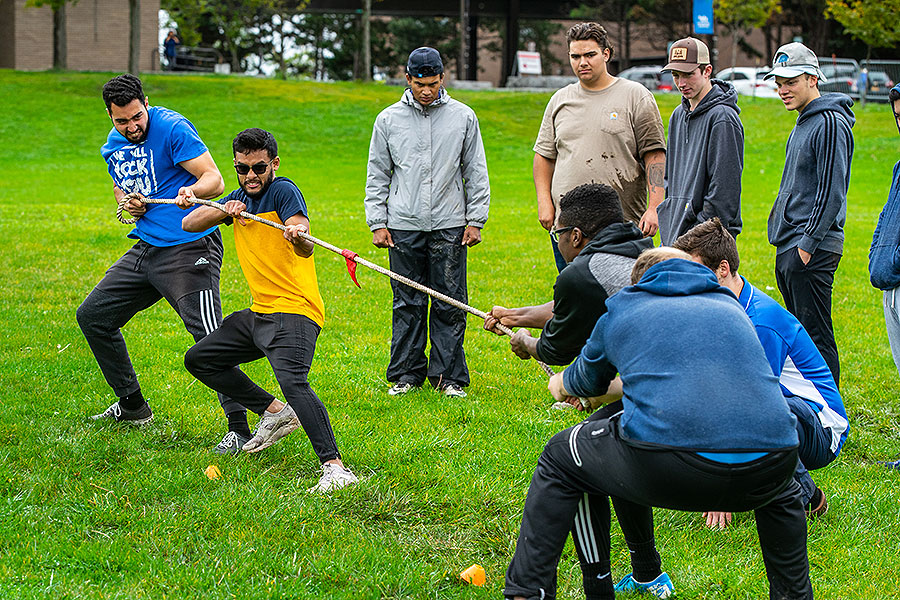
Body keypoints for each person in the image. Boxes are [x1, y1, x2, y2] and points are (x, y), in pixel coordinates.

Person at [504, 249, 812, 600]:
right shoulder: (731, 307)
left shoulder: (625, 306)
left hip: (671, 463)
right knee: (783, 492)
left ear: (639, 282)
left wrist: (560, 384)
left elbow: (586, 380)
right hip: (774, 461)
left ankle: (529, 592)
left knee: (564, 455)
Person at [76, 74, 255, 455]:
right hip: (147, 247)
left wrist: (192, 190)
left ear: (146, 103)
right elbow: (120, 185)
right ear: (109, 116)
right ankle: (133, 407)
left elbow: (214, 180)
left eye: (136, 117)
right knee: (93, 316)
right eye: (121, 121)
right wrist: (128, 202)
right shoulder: (114, 144)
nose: (131, 126)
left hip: (190, 247)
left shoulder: (172, 128)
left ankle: (240, 428)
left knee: (209, 338)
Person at [180, 128, 358, 493]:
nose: (250, 176)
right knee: (200, 359)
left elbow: (303, 235)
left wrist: (297, 233)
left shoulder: (283, 190)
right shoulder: (238, 198)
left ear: (273, 164)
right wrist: (221, 209)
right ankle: (275, 411)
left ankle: (336, 469)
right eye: (242, 168)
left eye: (258, 168)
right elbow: (188, 223)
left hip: (295, 310)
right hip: (259, 313)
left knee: (293, 381)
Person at [674, 218, 849, 525]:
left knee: (756, 414)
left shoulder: (760, 322)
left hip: (821, 426)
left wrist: (722, 485)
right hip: (779, 411)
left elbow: (748, 404)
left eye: (694, 271)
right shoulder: (718, 307)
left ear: (723, 269)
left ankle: (808, 498)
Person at [364, 47, 490, 398]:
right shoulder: (387, 120)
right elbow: (378, 173)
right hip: (402, 224)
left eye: (433, 84)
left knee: (450, 301)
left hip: (451, 223)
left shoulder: (464, 117)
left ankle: (448, 378)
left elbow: (475, 171)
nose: (426, 91)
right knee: (407, 301)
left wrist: (476, 219)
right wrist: (377, 221)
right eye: (420, 84)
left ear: (442, 79)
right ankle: (406, 374)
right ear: (407, 79)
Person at [534, 22, 666, 271]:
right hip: (569, 227)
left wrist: (654, 207)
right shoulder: (560, 100)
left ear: (606, 54)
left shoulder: (635, 95)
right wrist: (544, 202)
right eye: (575, 56)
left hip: (621, 224)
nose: (582, 62)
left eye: (590, 55)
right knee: (573, 288)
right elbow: (544, 156)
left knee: (622, 289)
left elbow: (655, 155)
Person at [485, 182, 650, 369]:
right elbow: (576, 308)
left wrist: (523, 340)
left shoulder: (582, 274)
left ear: (575, 236)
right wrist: (512, 316)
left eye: (558, 234)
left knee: (567, 383)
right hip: (670, 364)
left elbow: (554, 351)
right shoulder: (646, 253)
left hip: (661, 380)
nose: (558, 242)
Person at [765, 42, 855, 387]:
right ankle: (811, 402)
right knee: (801, 335)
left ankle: (830, 410)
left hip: (811, 248)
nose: (782, 90)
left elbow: (832, 192)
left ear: (813, 79)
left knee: (816, 335)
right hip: (790, 244)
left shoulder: (830, 123)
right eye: (779, 83)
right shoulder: (803, 122)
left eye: (790, 82)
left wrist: (807, 245)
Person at [657, 38, 743, 246]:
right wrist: (668, 218)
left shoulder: (723, 117)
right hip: (674, 236)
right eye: (676, 75)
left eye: (688, 74)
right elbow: (669, 179)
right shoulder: (678, 115)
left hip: (706, 241)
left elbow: (724, 190)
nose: (681, 83)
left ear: (707, 71)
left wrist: (698, 236)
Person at [869, 83, 900, 470]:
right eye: (897, 117)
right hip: (890, 285)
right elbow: (886, 217)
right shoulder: (898, 166)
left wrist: (893, 259)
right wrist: (878, 252)